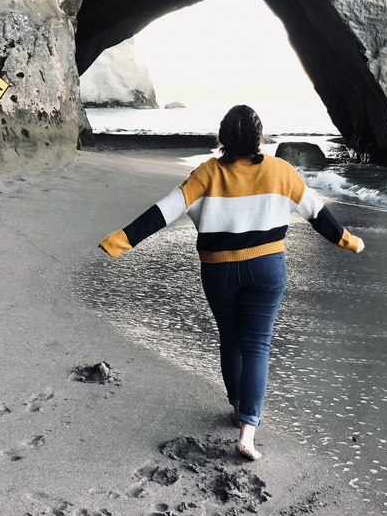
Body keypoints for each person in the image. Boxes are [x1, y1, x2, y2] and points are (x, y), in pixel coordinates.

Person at [99, 104, 364, 461]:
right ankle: (248, 433)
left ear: (223, 138)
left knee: (231, 338)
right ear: (260, 138)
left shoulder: (206, 174)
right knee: (257, 345)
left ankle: (238, 407)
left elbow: (163, 212)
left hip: (219, 270)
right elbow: (318, 215)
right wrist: (348, 240)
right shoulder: (282, 172)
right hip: (267, 270)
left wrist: (120, 241)